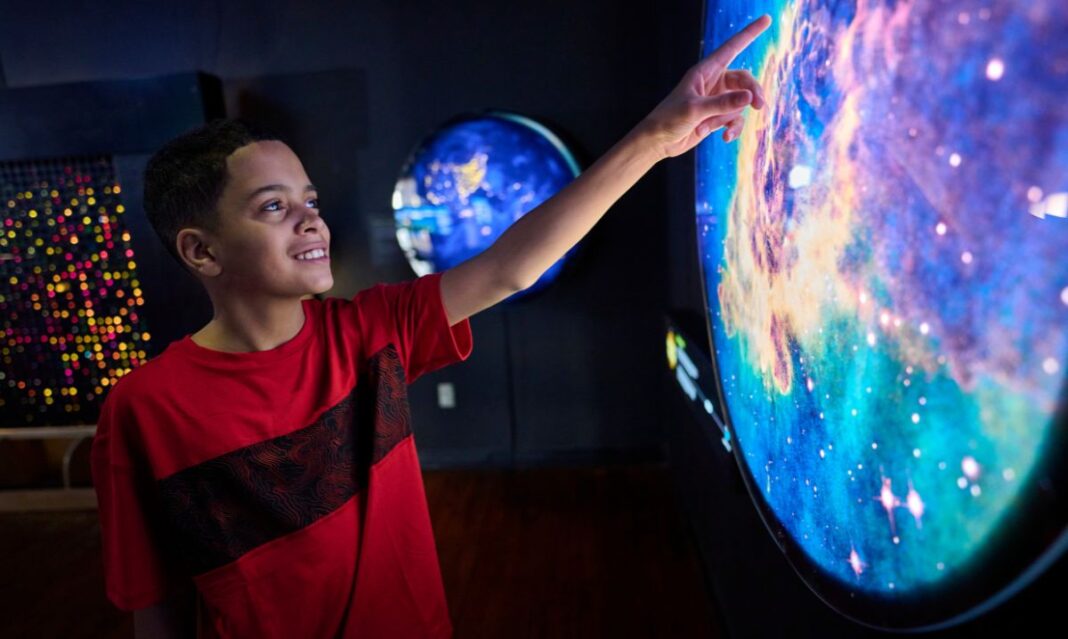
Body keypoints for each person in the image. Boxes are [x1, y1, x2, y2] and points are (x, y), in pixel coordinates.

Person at [90, 15, 771, 639]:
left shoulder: (369, 330)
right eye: (273, 207)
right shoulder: (144, 409)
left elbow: (510, 264)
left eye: (311, 200)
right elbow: (158, 604)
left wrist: (656, 136)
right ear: (201, 250)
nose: (310, 220)